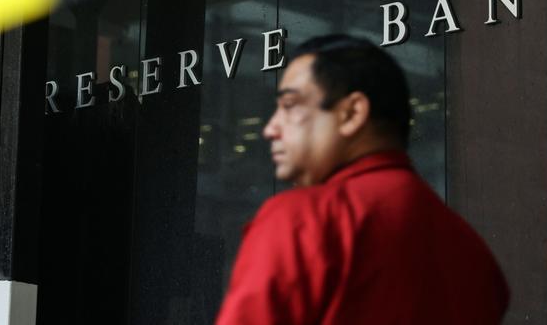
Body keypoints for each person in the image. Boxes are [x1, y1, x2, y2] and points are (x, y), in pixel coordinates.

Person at [215, 34, 509, 325]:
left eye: (290, 105)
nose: (270, 128)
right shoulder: (473, 254)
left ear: (352, 113)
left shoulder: (302, 220)